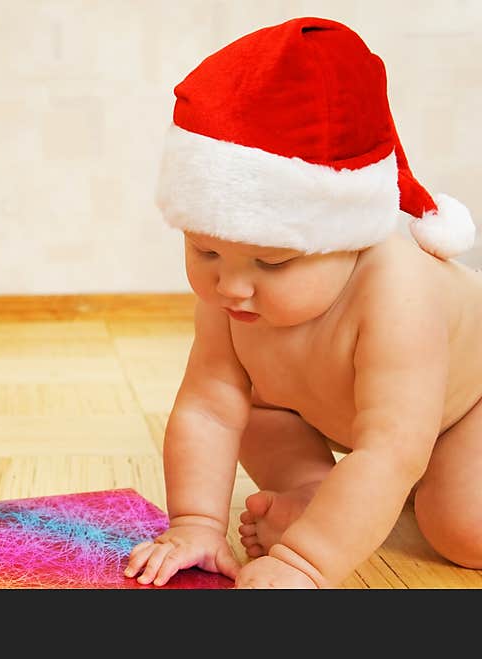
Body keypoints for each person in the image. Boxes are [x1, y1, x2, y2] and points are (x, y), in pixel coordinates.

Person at [123, 16, 481, 588]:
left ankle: (373, 507)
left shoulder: (399, 293)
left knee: (464, 530)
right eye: (204, 251)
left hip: (460, 413)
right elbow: (210, 408)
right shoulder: (231, 291)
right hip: (327, 409)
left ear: (345, 237)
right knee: (254, 412)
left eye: (273, 263)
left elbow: (391, 446)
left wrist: (304, 564)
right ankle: (318, 495)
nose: (232, 287)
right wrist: (194, 523)